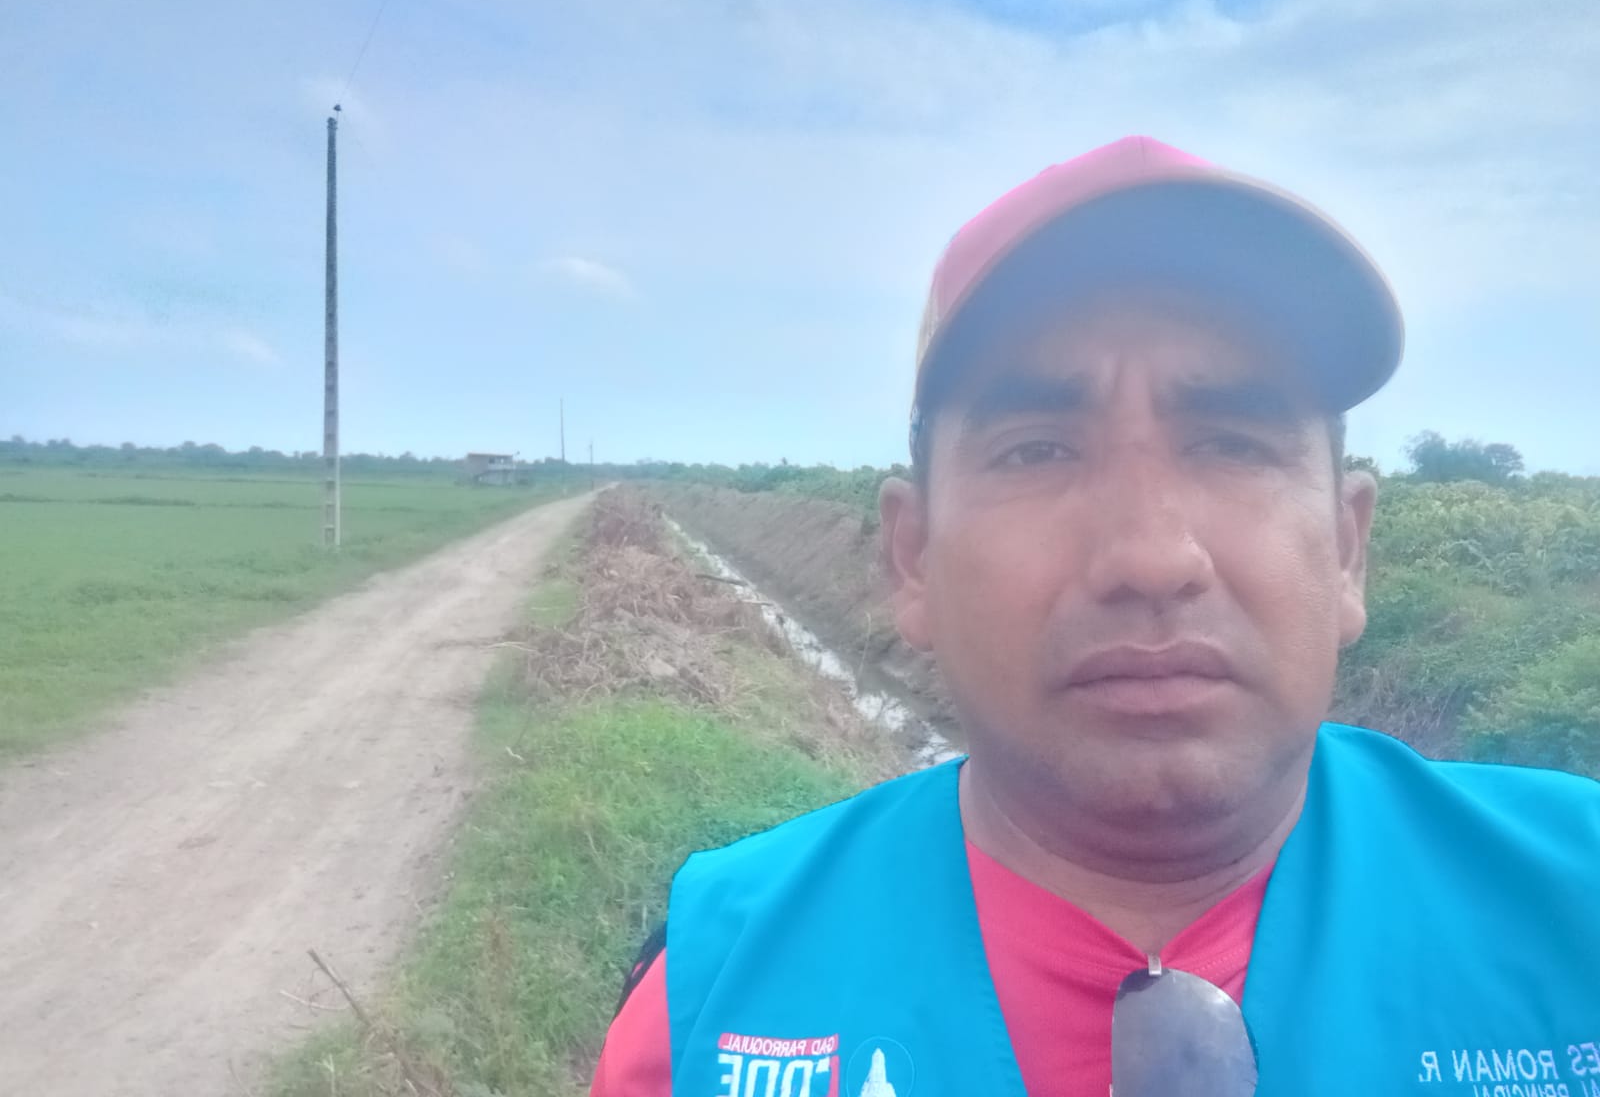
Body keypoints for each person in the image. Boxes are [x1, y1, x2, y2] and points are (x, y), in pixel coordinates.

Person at [591, 137, 1600, 1097]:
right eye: (1037, 449)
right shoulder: (709, 1002)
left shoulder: (1574, 903)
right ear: (913, 557)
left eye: (1234, 443)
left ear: (1346, 549)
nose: (1151, 557)